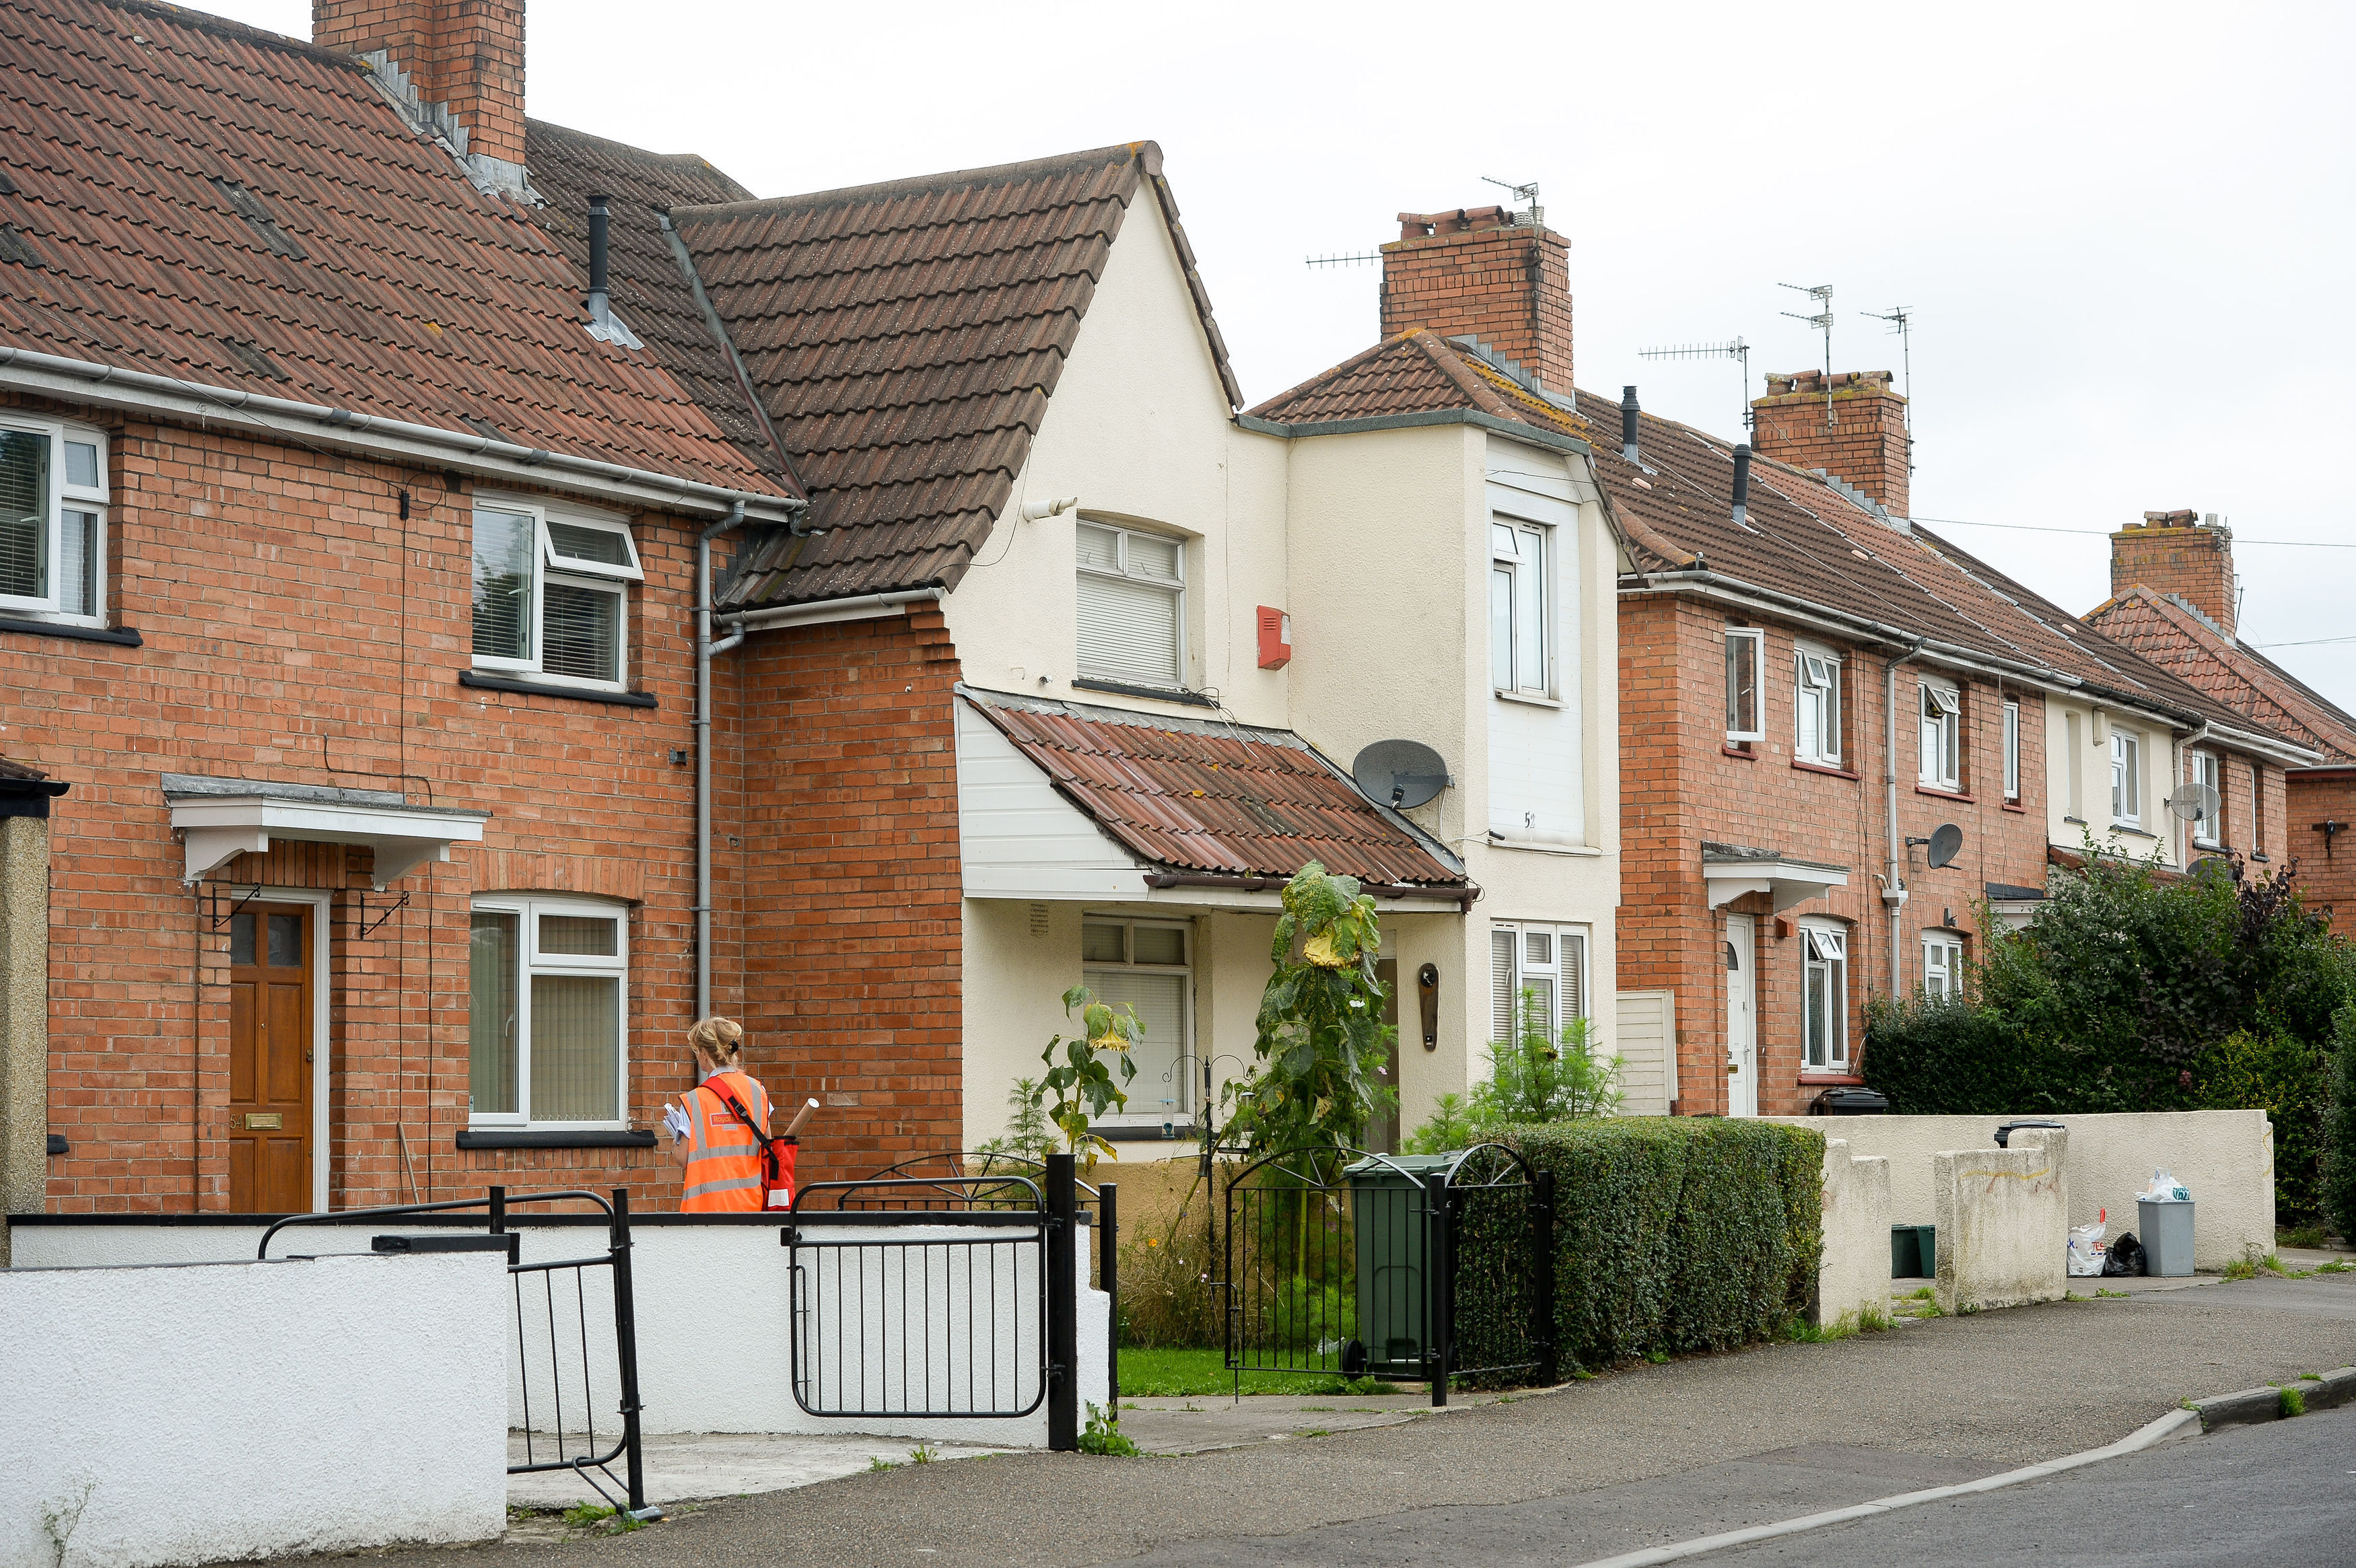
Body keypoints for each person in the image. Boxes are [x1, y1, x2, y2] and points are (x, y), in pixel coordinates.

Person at [666, 1017, 776, 1212]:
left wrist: (674, 1145)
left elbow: (683, 1159)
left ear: (704, 1053)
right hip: (751, 1208)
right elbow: (768, 1145)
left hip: (705, 1212)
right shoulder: (758, 1091)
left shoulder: (694, 1100)